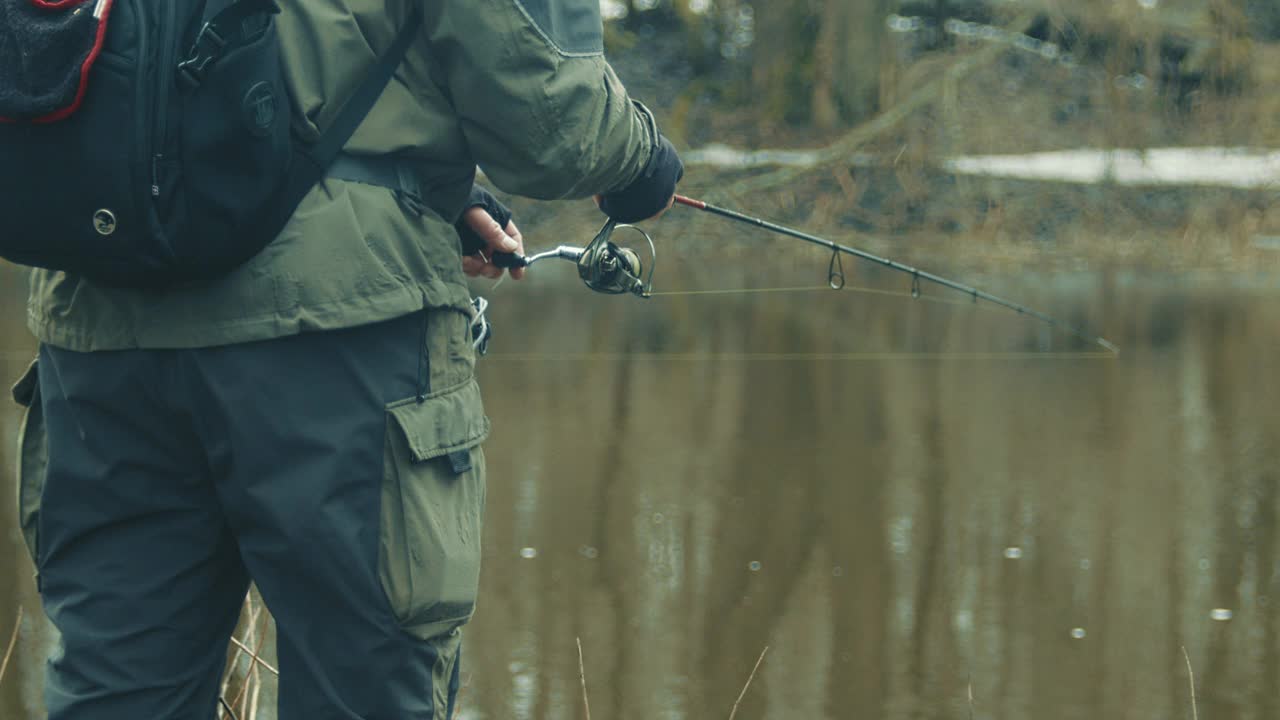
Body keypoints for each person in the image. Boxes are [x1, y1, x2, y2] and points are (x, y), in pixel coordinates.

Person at [9, 1, 683, 718]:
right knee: (362, 691)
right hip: (341, 346)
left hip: (100, 336)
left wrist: (431, 194)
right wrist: (642, 162)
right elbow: (554, 128)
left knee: (118, 694)